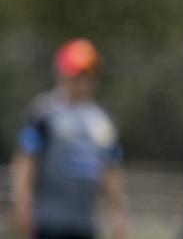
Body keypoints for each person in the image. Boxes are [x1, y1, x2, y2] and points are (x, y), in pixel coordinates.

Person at [11, 38, 126, 239]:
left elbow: (111, 173)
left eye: (88, 75)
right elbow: (26, 163)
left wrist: (117, 218)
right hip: (48, 222)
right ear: (62, 74)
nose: (82, 82)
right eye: (76, 75)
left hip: (84, 225)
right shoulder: (43, 114)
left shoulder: (103, 121)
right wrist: (22, 206)